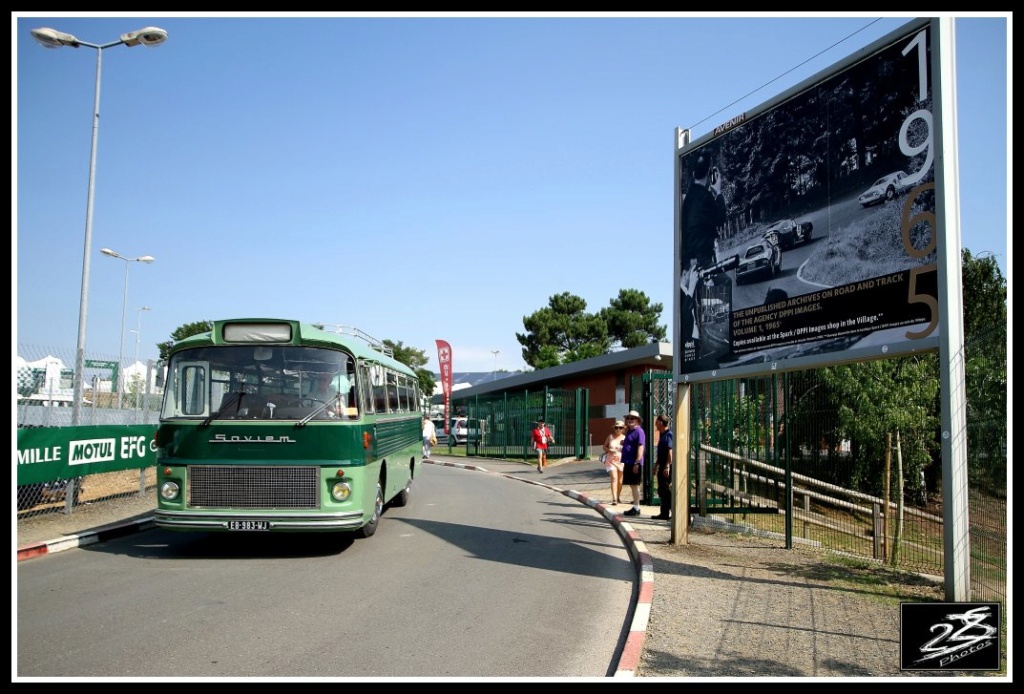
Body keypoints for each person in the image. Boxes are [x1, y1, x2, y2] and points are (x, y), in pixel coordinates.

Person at [680, 151, 727, 362]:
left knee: (694, 303)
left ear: (692, 174)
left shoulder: (687, 198)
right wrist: (718, 192)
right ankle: (717, 345)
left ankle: (702, 345)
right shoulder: (707, 197)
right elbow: (721, 217)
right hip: (703, 260)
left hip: (689, 261)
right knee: (722, 284)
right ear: (710, 174)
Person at [620, 410, 646, 517]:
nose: (629, 420)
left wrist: (637, 462)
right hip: (628, 461)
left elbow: (640, 447)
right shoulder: (630, 431)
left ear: (638, 421)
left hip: (634, 462)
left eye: (632, 418)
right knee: (632, 485)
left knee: (635, 485)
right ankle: (636, 506)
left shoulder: (639, 431)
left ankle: (636, 508)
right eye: (628, 418)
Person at [652, 414, 674, 521]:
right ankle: (664, 514)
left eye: (656, 422)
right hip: (662, 467)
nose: (655, 424)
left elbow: (670, 452)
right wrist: (656, 465)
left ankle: (673, 513)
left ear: (661, 423)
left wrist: (667, 467)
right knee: (662, 490)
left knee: (666, 491)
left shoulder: (669, 434)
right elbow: (661, 453)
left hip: (666, 468)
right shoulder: (662, 435)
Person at [602, 420, 626, 504]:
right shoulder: (610, 436)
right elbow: (604, 446)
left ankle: (618, 496)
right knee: (614, 478)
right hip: (611, 460)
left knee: (620, 481)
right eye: (616, 428)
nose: (618, 429)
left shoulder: (625, 438)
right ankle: (614, 499)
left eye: (620, 428)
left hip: (621, 461)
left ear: (623, 429)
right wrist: (609, 450)